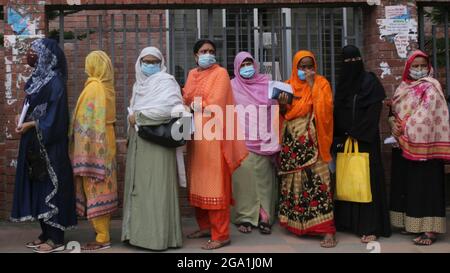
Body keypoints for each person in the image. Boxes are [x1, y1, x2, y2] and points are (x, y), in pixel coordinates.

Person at [11, 38, 77, 253]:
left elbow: (57, 118)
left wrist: (31, 124)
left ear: (48, 56)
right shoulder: (37, 80)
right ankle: (45, 233)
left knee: (52, 186)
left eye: (36, 52)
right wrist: (21, 121)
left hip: (50, 144)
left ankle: (56, 238)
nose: (32, 55)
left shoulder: (55, 81)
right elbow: (30, 106)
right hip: (33, 140)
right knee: (38, 184)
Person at [183, 39, 248, 250]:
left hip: (215, 137)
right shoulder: (193, 74)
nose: (208, 54)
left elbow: (216, 103)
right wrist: (196, 102)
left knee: (215, 185)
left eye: (211, 51)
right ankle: (204, 227)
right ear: (195, 56)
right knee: (198, 182)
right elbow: (185, 97)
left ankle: (221, 235)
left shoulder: (219, 73)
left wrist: (196, 103)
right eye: (203, 51)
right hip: (196, 136)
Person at [121, 47, 183, 250]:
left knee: (156, 190)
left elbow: (169, 109)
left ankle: (158, 238)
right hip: (139, 143)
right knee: (139, 190)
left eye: (153, 62)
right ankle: (137, 235)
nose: (149, 65)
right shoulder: (138, 85)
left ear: (161, 63)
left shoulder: (167, 82)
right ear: (139, 64)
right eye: (145, 62)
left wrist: (139, 117)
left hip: (158, 144)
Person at [389, 50, 450, 246]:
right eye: (415, 66)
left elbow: (426, 115)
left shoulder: (432, 87)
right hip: (404, 143)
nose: (419, 69)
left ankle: (430, 230)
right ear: (408, 68)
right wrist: (393, 124)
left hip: (426, 146)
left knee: (427, 186)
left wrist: (403, 128)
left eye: (423, 65)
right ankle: (413, 224)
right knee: (410, 186)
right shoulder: (403, 87)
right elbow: (393, 110)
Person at [278, 50, 337, 248]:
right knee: (295, 184)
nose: (306, 70)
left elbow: (326, 111)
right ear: (296, 68)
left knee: (319, 183)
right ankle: (298, 226)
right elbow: (284, 114)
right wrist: (282, 105)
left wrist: (313, 87)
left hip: (315, 143)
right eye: (302, 67)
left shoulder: (322, 84)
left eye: (309, 66)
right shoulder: (287, 85)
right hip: (293, 144)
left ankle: (327, 231)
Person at [333, 45, 391, 243]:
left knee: (366, 182)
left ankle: (370, 226)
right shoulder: (341, 84)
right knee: (347, 181)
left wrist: (355, 132)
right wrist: (340, 136)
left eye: (354, 60)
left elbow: (374, 111)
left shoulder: (370, 82)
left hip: (364, 141)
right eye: (346, 61)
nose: (351, 65)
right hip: (345, 142)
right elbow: (337, 112)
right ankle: (349, 223)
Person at [70, 50, 118, 251]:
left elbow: (89, 119)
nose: (85, 67)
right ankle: (101, 232)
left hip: (96, 145)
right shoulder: (105, 86)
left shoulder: (95, 88)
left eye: (88, 63)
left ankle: (102, 237)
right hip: (107, 140)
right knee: (101, 185)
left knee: (95, 186)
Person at [230, 51, 280, 235]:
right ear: (236, 67)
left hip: (264, 140)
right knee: (243, 181)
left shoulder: (267, 85)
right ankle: (245, 217)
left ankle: (264, 216)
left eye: (249, 64)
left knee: (264, 181)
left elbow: (275, 110)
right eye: (242, 65)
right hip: (241, 142)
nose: (246, 68)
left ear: (255, 65)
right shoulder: (231, 86)